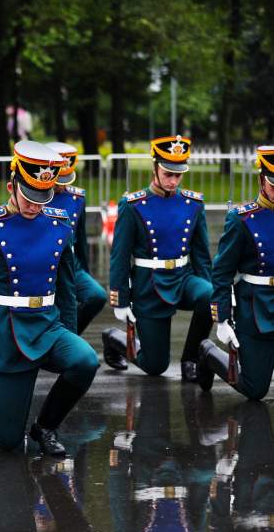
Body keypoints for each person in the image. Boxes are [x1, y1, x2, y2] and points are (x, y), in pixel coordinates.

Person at [0, 140, 99, 456]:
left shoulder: (58, 223)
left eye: (41, 197)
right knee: (7, 441)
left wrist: (69, 337)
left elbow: (67, 289)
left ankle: (45, 427)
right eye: (29, 195)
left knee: (85, 360)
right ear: (11, 185)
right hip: (5, 332)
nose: (35, 204)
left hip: (46, 325)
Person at [103, 135, 212, 381]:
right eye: (168, 174)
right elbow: (120, 256)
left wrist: (214, 294)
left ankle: (190, 359)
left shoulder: (193, 203)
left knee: (209, 295)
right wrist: (120, 298)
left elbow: (201, 254)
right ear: (155, 168)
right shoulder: (133, 205)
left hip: (183, 278)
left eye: (178, 175)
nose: (173, 181)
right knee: (155, 366)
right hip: (148, 285)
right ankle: (114, 339)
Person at [197, 145, 274, 400]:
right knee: (255, 390)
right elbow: (222, 272)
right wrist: (221, 318)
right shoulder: (242, 219)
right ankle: (209, 354)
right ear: (262, 179)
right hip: (255, 306)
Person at [45, 141, 107, 334]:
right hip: (45, 264)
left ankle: (70, 336)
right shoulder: (34, 198)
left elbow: (80, 238)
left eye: (67, 179)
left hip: (72, 264)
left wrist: (85, 272)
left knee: (96, 296)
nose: (63, 186)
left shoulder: (77, 198)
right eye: (59, 180)